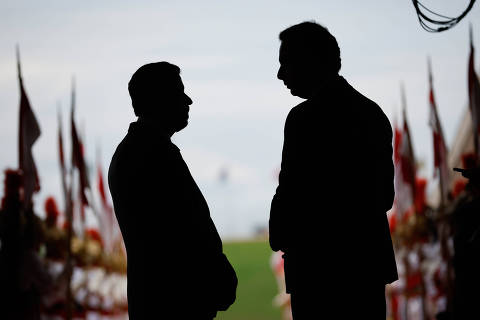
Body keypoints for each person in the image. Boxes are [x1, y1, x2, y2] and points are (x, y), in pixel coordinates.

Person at [269, 21, 398, 319]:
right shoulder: (371, 113)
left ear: (311, 61)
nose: (280, 74)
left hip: (317, 271)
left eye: (286, 63)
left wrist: (287, 232)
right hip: (364, 269)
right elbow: (382, 197)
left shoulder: (304, 119)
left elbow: (290, 192)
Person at [108, 62, 237, 319]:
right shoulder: (149, 154)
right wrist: (215, 277)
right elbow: (180, 232)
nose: (188, 100)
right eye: (179, 92)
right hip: (173, 303)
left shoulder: (142, 150)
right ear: (159, 99)